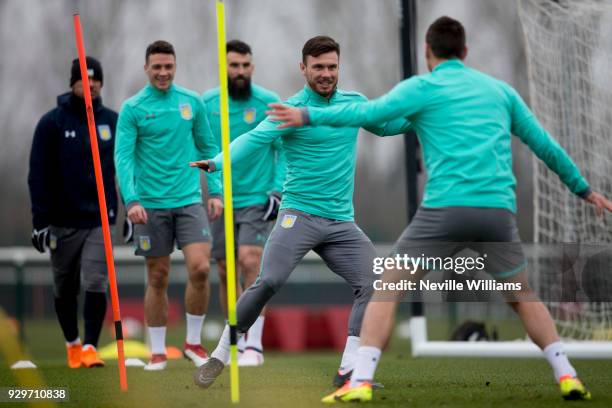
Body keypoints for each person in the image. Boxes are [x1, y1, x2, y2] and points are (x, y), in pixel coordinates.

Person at [268, 16, 612, 403]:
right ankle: (567, 374)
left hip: (445, 211)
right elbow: (544, 144)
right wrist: (584, 189)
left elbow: (364, 114)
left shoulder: (423, 88)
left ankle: (359, 380)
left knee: (386, 288)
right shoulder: (500, 91)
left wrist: (308, 115)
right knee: (521, 294)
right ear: (465, 52)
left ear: (428, 53)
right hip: (497, 212)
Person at [191, 35, 413, 388]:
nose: (326, 73)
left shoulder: (353, 105)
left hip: (341, 222)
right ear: (303, 68)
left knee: (375, 283)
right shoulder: (290, 110)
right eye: (318, 67)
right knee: (269, 280)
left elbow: (389, 125)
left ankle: (349, 372)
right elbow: (253, 139)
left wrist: (425, 117)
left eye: (332, 67)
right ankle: (221, 352)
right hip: (299, 217)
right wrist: (217, 163)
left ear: (339, 67)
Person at [115, 40, 223, 371]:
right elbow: (123, 158)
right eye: (157, 67)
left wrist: (215, 191)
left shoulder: (191, 102)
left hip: (189, 200)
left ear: (175, 66)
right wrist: (131, 200)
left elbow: (208, 146)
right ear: (146, 68)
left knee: (201, 268)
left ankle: (192, 343)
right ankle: (158, 352)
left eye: (168, 66)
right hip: (149, 206)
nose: (163, 72)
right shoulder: (132, 109)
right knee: (158, 276)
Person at [28, 56, 117, 369]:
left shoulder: (111, 121)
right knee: (64, 288)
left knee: (96, 281)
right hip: (62, 222)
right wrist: (40, 222)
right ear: (73, 83)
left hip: (99, 221)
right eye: (84, 79)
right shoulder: (52, 123)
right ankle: (73, 344)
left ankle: (91, 346)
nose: (91, 84)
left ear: (101, 83)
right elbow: (37, 175)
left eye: (96, 79)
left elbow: (125, 168)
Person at [202, 39, 285, 367]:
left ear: (252, 66)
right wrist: (216, 192)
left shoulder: (268, 102)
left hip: (257, 199)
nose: (239, 71)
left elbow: (282, 149)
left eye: (245, 65)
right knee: (225, 270)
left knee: (251, 261)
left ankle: (255, 345)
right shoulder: (208, 103)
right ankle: (232, 341)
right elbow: (205, 152)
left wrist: (277, 191)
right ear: (224, 67)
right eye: (233, 65)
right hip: (222, 199)